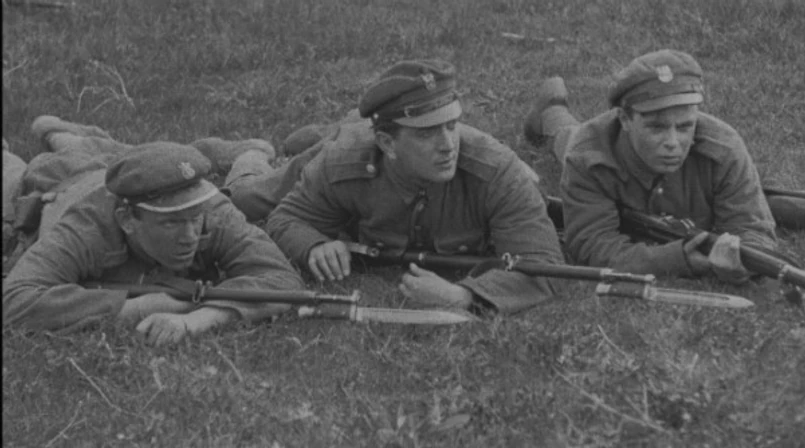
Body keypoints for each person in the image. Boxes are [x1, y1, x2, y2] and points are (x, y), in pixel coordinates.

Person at [233, 59, 565, 315]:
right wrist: (313, 245)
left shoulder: (496, 169)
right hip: (345, 143)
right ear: (387, 143)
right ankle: (249, 154)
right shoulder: (343, 162)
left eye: (451, 125)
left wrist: (463, 296)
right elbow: (285, 218)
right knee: (245, 198)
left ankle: (327, 128)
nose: (447, 145)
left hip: (369, 137)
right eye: (427, 133)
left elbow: (543, 263)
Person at [2, 140, 305, 345]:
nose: (190, 235)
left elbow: (281, 280)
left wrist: (200, 319)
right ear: (126, 220)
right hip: (66, 181)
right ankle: (59, 138)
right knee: (28, 169)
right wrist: (136, 307)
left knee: (123, 155)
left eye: (194, 218)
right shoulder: (86, 227)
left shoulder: (212, 211)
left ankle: (246, 152)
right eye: (171, 222)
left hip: (123, 169)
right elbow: (14, 300)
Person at [522, 49, 778, 284]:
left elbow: (754, 232)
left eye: (684, 126)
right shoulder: (589, 156)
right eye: (656, 127)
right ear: (624, 118)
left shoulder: (723, 148)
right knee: (571, 139)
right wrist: (674, 260)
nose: (673, 142)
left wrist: (742, 264)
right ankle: (550, 113)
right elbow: (591, 245)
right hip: (600, 144)